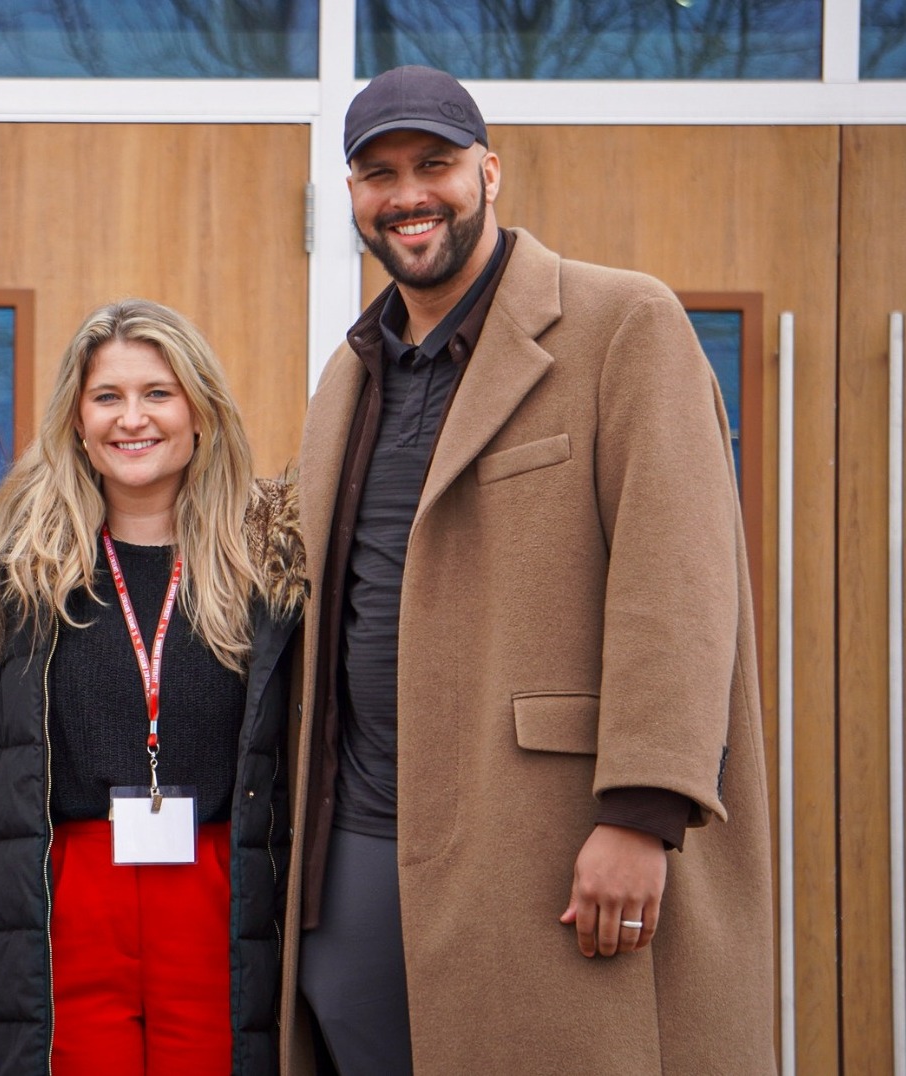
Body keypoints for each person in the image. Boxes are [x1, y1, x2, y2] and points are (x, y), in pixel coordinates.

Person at [285, 65, 776, 1073]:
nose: (407, 193)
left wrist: (641, 809)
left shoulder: (620, 322)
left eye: (435, 164)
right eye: (377, 173)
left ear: (490, 172)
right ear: (350, 198)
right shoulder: (348, 372)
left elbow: (679, 585)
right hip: (357, 847)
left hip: (549, 835)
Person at [0, 299, 304, 1074]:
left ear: (199, 410)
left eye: (158, 392)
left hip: (217, 888)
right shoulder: (21, 570)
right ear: (77, 421)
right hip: (68, 890)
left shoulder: (267, 567)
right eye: (107, 396)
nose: (131, 418)